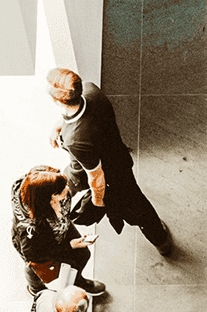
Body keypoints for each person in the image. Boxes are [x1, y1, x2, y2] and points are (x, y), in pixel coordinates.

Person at [46, 67, 174, 256]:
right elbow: (77, 113)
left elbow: (96, 177)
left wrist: (98, 202)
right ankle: (159, 237)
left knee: (137, 207)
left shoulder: (75, 139)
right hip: (119, 158)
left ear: (57, 100)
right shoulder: (92, 91)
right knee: (136, 201)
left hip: (106, 176)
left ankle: (161, 241)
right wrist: (59, 126)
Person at [11, 165, 104, 296]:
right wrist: (70, 245)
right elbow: (35, 255)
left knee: (83, 254)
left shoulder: (41, 183)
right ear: (48, 198)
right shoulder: (30, 227)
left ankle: (77, 280)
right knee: (35, 269)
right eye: (60, 190)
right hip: (40, 245)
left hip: (60, 226)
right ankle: (36, 289)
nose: (67, 189)